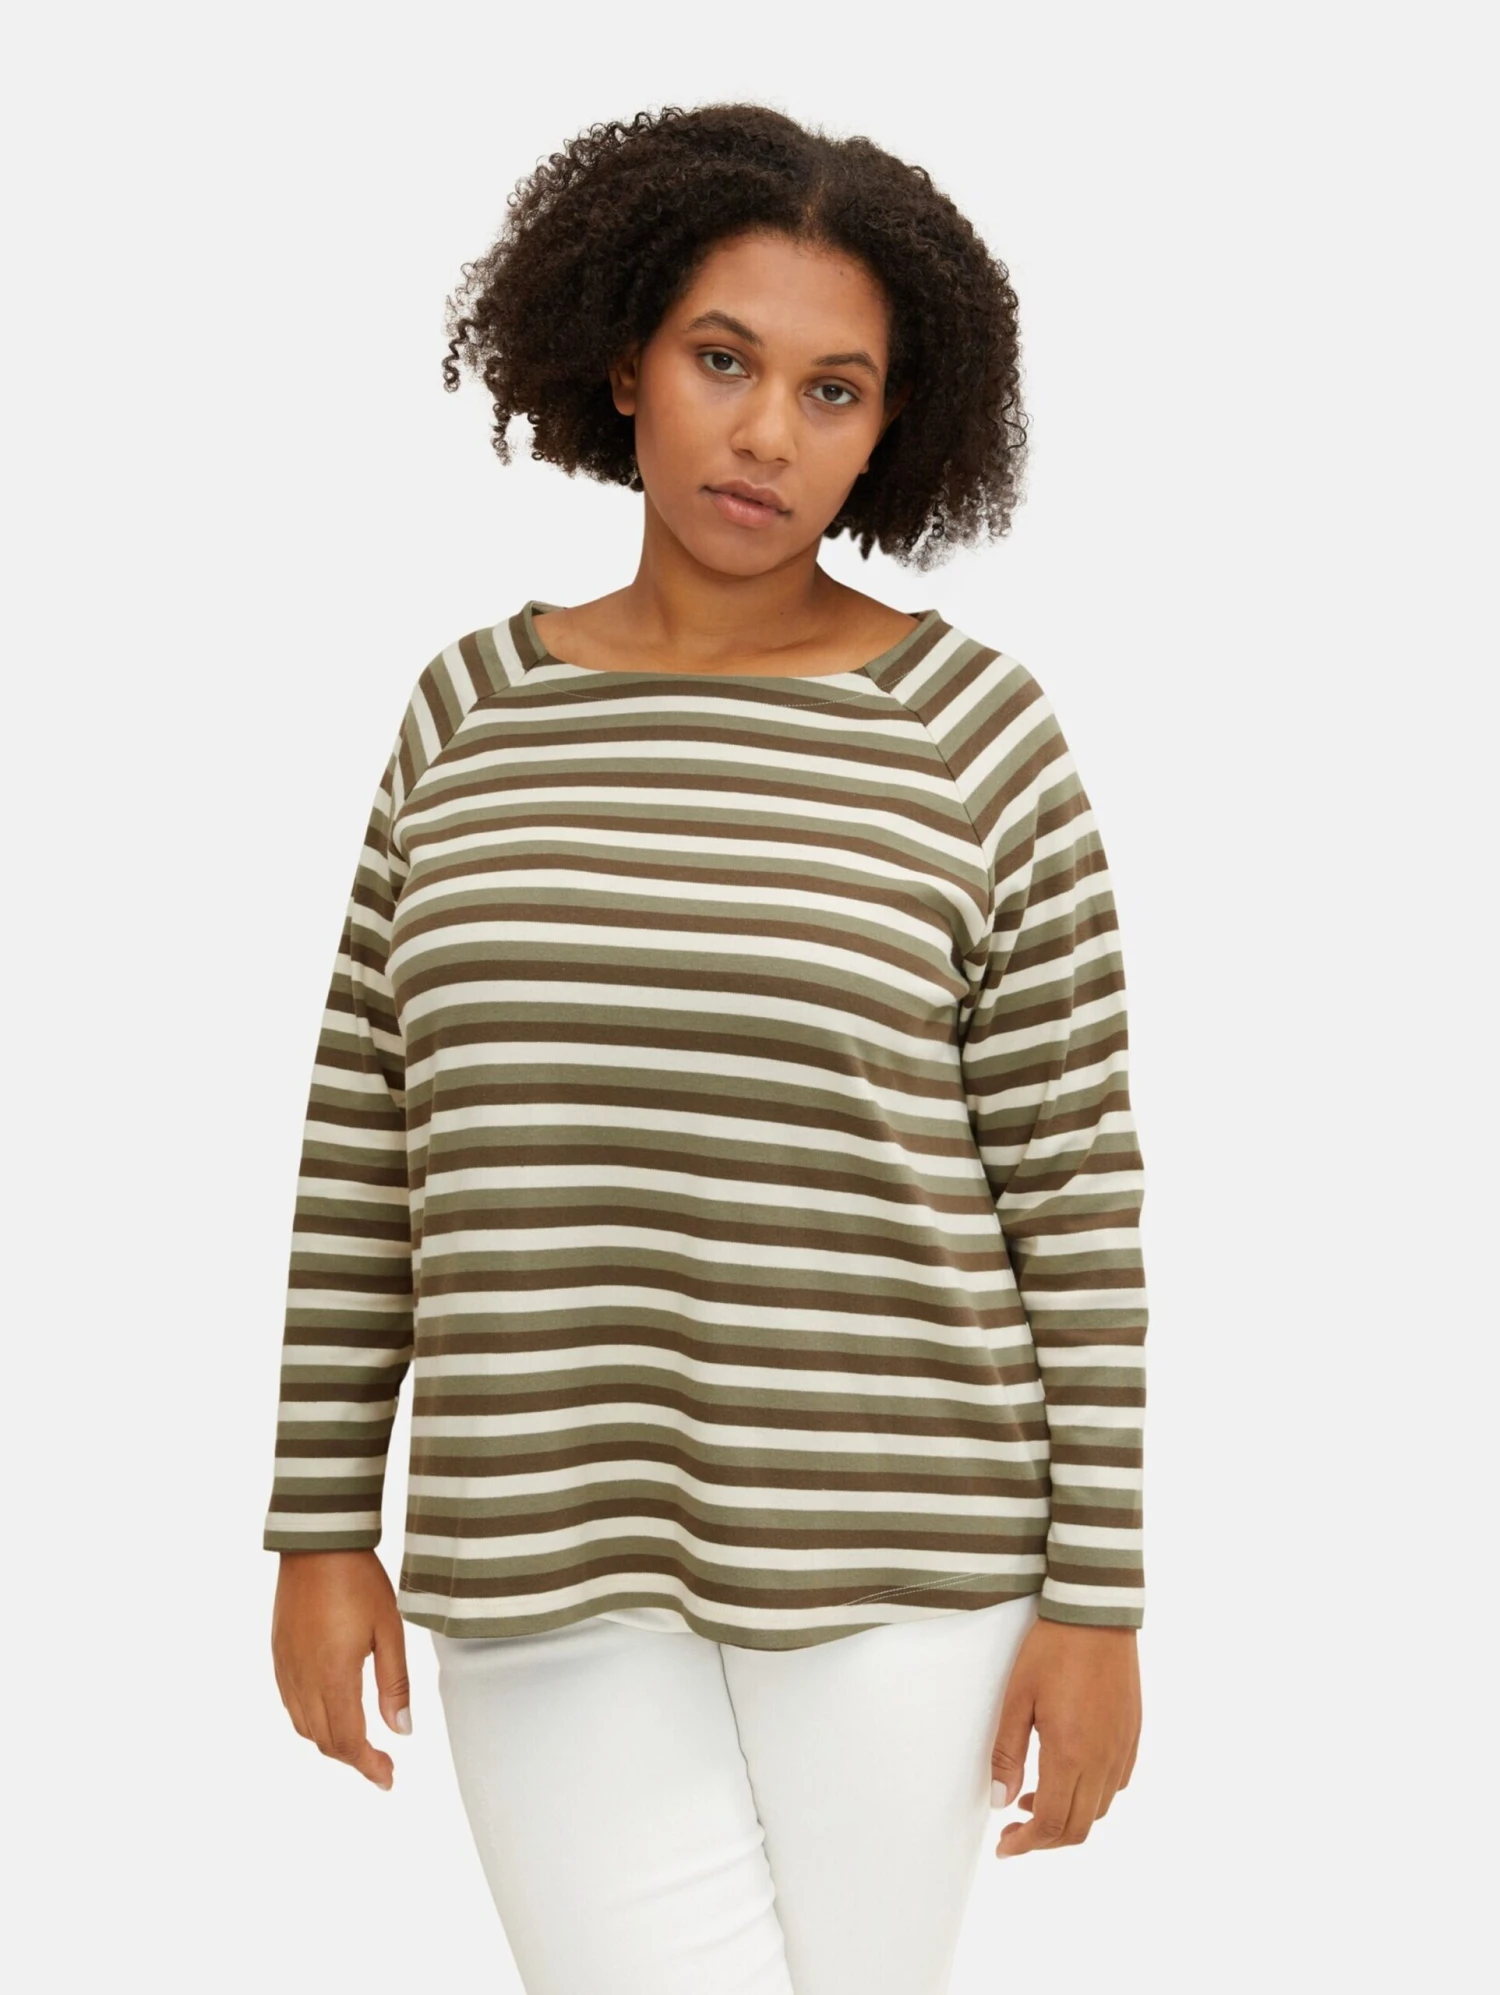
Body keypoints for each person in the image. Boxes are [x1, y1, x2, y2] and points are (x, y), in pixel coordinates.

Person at [264, 100, 1148, 1995]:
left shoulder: (975, 735)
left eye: (835, 392)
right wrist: (319, 1519)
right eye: (723, 360)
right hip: (537, 1531)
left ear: (893, 428)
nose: (766, 435)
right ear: (623, 364)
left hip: (908, 1556)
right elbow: (364, 1146)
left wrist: (1100, 1597)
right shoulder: (466, 716)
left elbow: (1074, 1194)